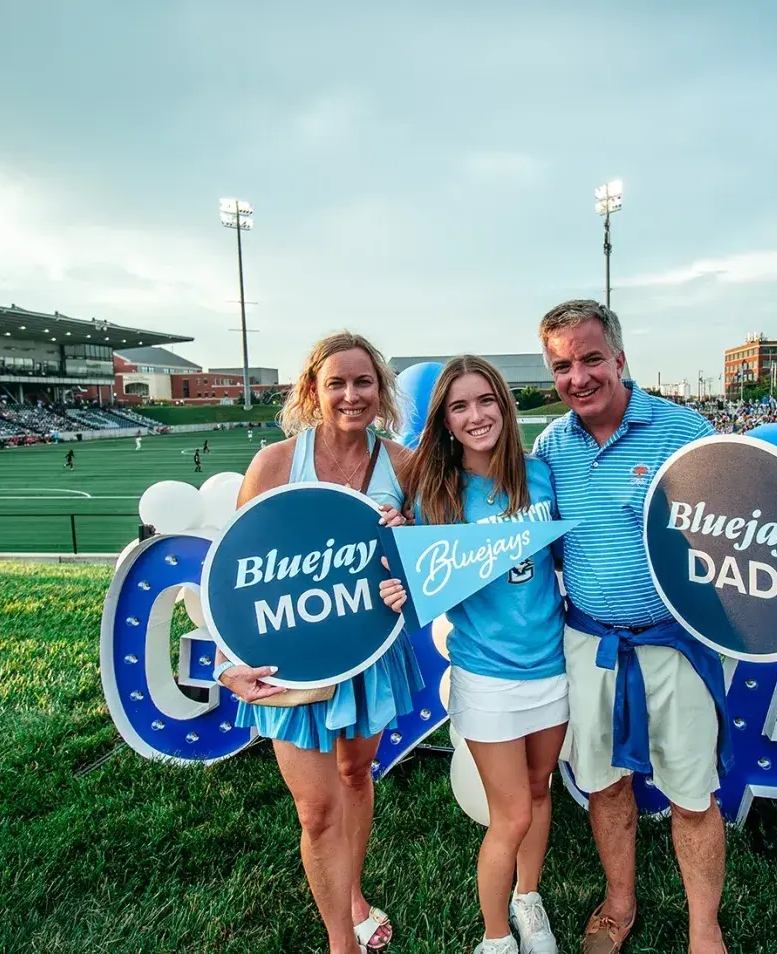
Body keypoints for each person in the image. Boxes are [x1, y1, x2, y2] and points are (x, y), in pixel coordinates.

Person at [530, 300, 777, 954]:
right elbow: (532, 543)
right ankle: (620, 904)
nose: (578, 377)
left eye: (592, 359)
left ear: (620, 359)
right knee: (604, 786)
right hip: (589, 644)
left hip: (673, 645)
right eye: (562, 365)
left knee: (692, 794)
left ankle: (702, 927)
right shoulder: (550, 447)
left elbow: (758, 537)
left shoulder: (684, 432)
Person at [214, 331, 420, 954]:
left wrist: (406, 548)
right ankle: (341, 942)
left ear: (381, 393)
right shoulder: (276, 463)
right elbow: (236, 575)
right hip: (292, 658)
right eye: (337, 383)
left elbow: (425, 568)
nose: (352, 395)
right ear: (313, 391)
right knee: (315, 810)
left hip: (367, 653)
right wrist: (227, 665)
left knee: (357, 775)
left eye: (364, 383)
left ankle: (353, 895)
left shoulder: (403, 466)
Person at [378, 356, 565, 954]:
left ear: (505, 408)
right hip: (485, 675)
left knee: (540, 793)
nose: (476, 415)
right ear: (445, 420)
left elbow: (557, 562)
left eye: (486, 400)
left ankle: (528, 902)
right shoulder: (432, 494)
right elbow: (408, 579)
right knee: (508, 815)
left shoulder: (541, 476)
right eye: (459, 406)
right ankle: (494, 937)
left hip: (552, 667)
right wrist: (397, 566)